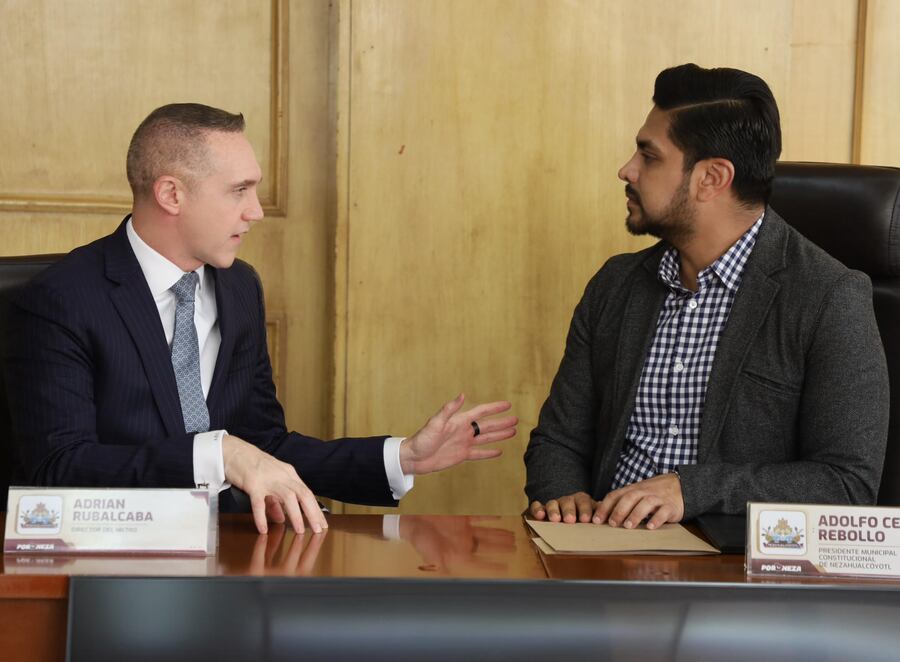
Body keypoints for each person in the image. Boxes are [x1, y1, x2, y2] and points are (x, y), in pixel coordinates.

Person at [4, 103, 517, 535]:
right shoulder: (62, 298)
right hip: (117, 563)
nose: (256, 212)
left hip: (239, 550)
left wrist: (402, 457)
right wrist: (217, 455)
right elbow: (60, 468)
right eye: (238, 190)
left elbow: (264, 444)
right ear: (171, 194)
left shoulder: (239, 287)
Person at [525, 63, 889, 530]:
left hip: (733, 578)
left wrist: (689, 489)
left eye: (649, 157)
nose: (627, 170)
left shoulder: (828, 298)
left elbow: (846, 484)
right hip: (602, 561)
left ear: (712, 177)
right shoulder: (615, 284)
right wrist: (564, 497)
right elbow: (558, 440)